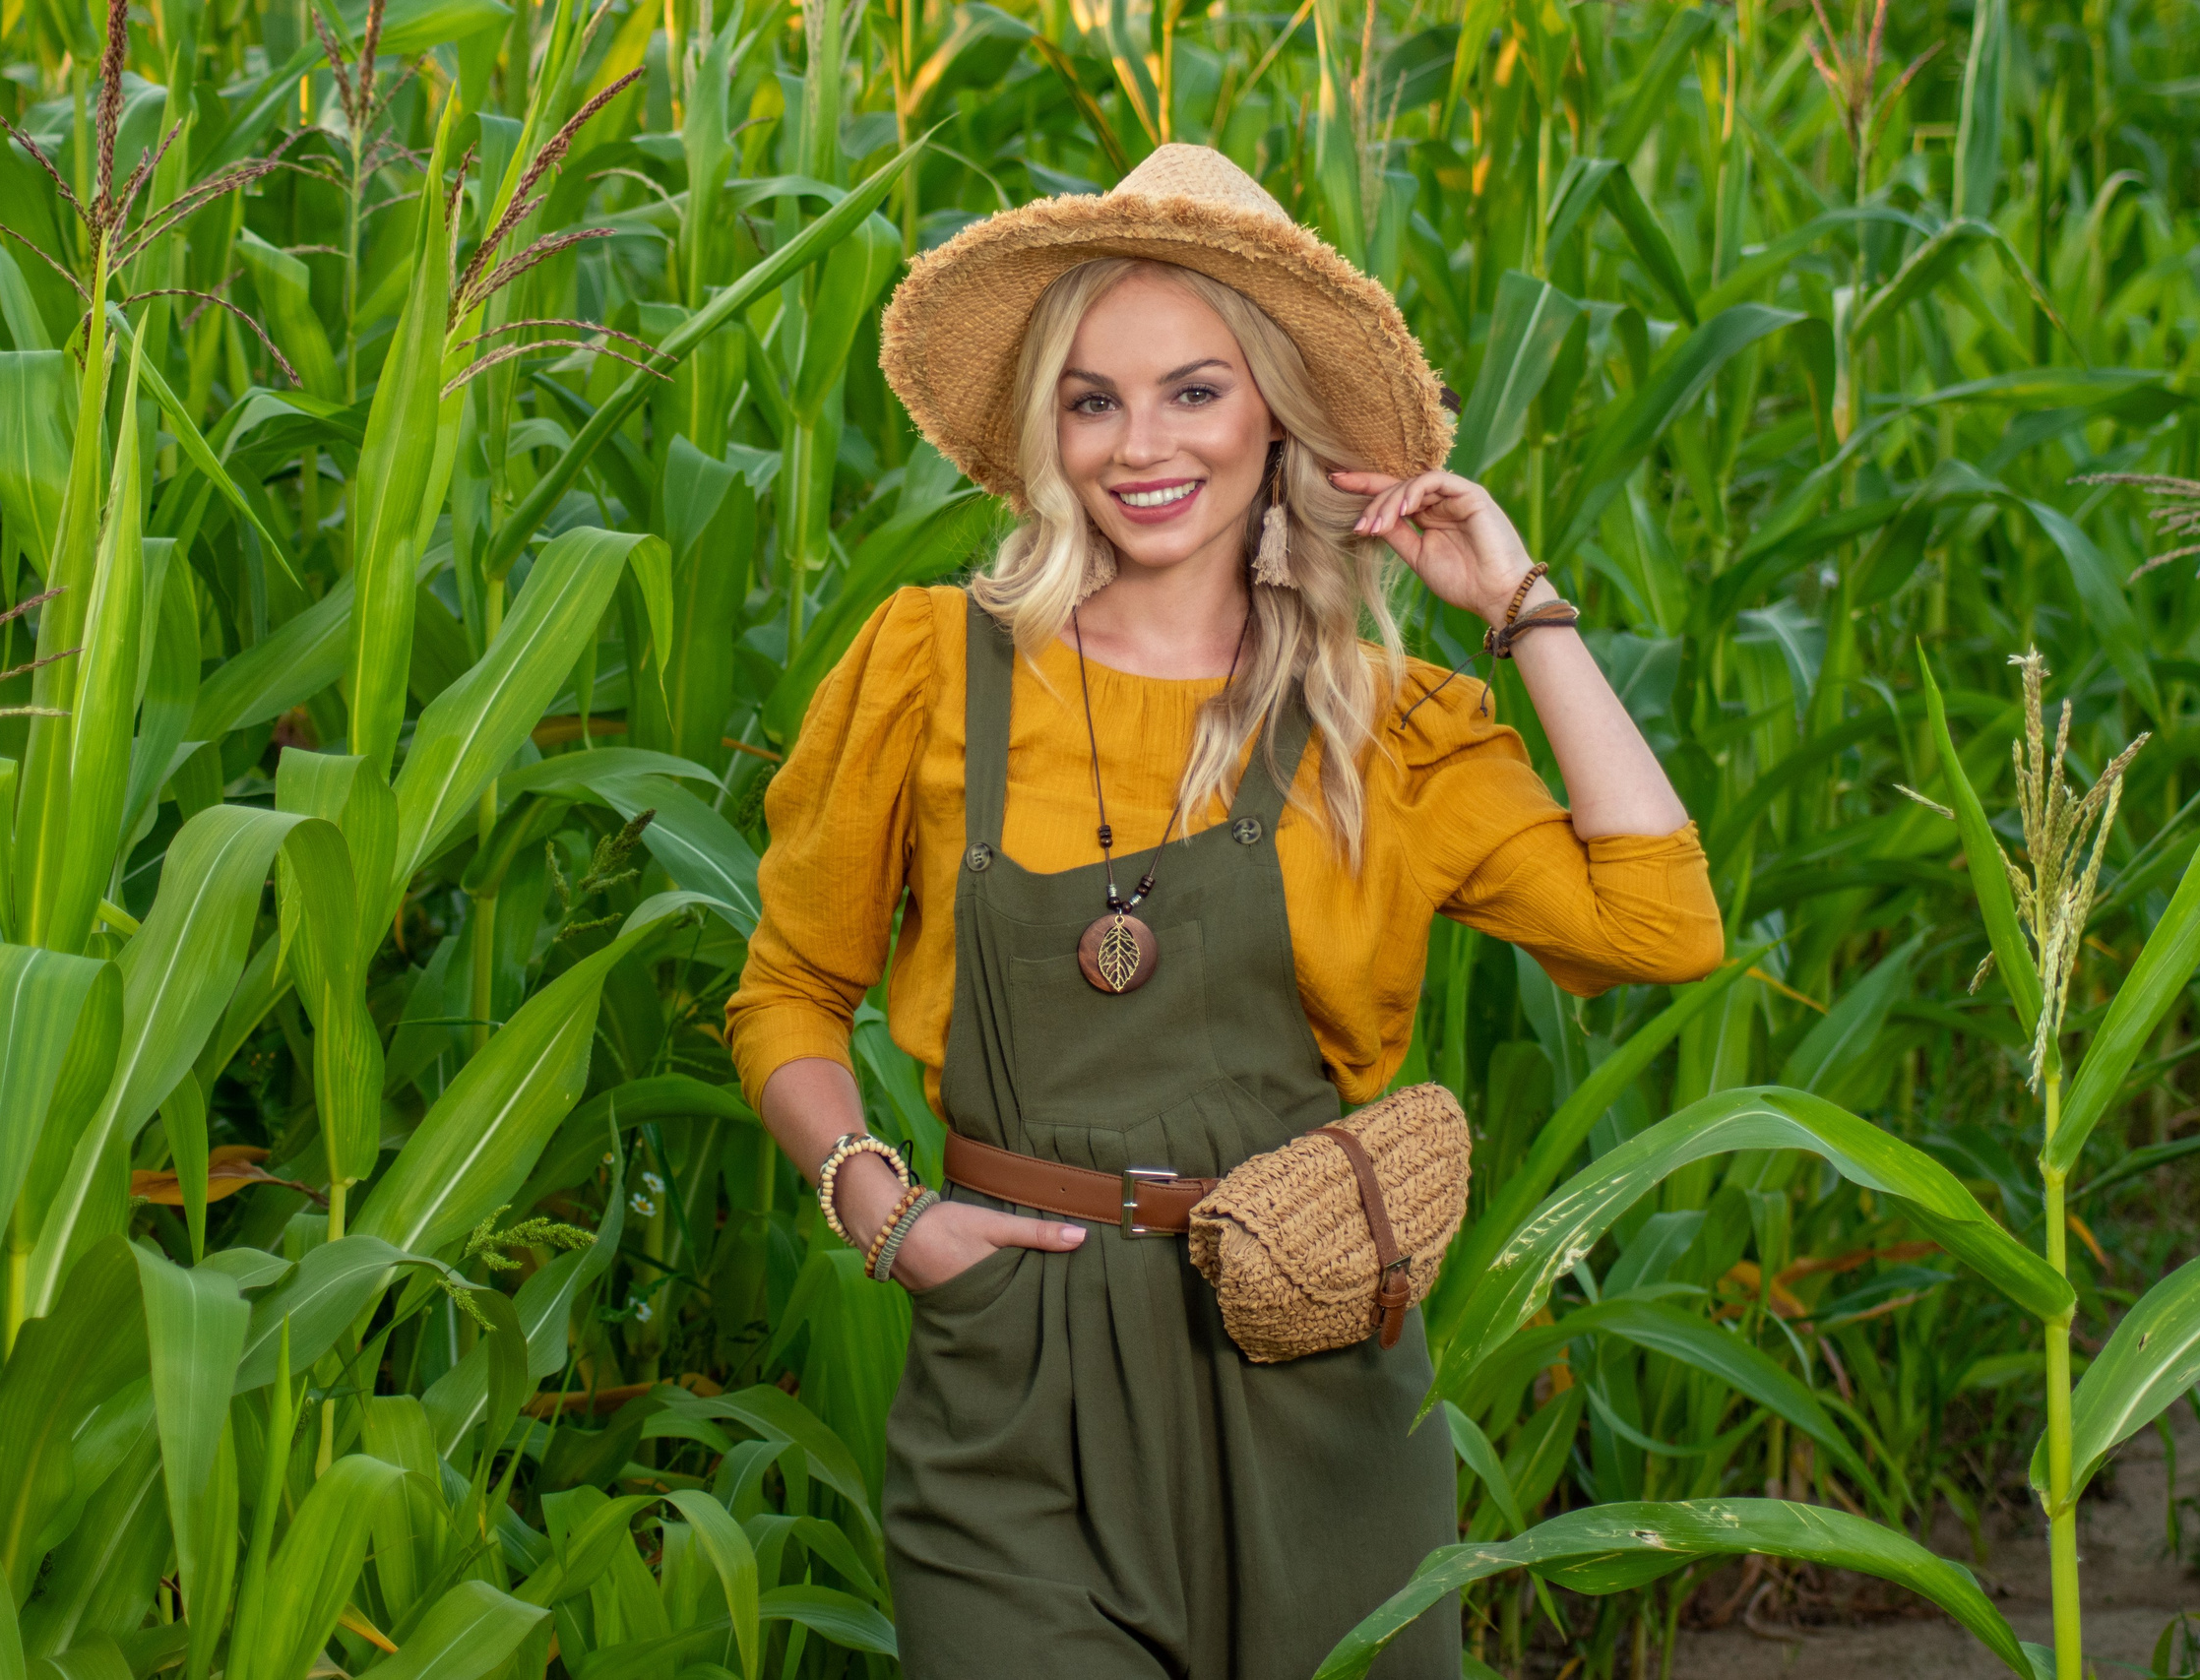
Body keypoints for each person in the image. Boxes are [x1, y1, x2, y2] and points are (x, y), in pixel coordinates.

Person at [723, 143, 1723, 1679]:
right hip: (1014, 1368)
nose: (1142, 445)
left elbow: (1658, 930)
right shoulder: (932, 666)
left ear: (1274, 417)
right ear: (1048, 428)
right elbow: (789, 982)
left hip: (1307, 1360)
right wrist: (875, 1198)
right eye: (1094, 398)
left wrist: (1518, 603)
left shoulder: (1381, 728)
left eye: (1195, 390)